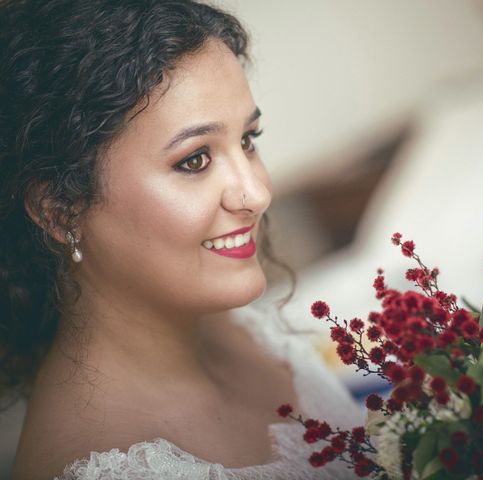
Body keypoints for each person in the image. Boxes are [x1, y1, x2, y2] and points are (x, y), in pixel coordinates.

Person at [0, 1, 364, 478]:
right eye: (194, 160)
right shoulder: (103, 466)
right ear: (60, 209)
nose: (256, 193)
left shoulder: (243, 330)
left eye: (248, 140)